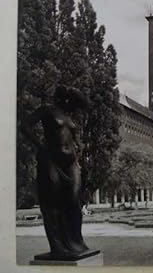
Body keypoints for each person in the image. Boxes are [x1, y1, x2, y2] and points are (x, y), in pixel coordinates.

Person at [21, 86, 90, 260]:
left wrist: (78, 151)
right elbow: (25, 126)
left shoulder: (69, 117)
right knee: (52, 205)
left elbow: (71, 139)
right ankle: (57, 246)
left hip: (71, 163)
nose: (75, 109)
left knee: (74, 202)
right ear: (65, 100)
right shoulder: (47, 111)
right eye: (74, 104)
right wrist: (40, 147)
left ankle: (76, 242)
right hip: (52, 160)